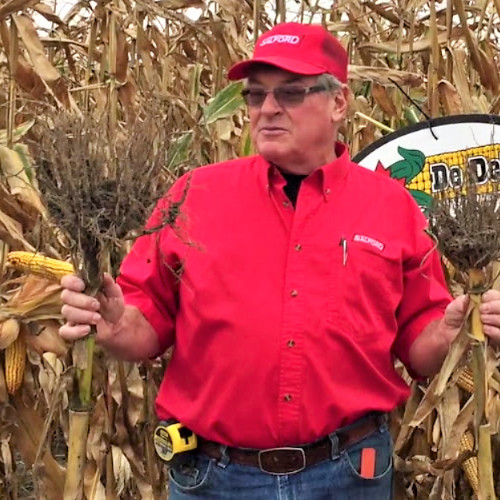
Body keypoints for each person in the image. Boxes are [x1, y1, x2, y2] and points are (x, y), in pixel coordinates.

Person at [59, 22, 500, 500]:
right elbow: (144, 327)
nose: (267, 109)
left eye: (290, 93)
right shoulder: (194, 195)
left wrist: (452, 329)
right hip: (213, 476)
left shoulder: (392, 205)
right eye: (255, 95)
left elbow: (418, 345)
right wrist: (115, 320)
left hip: (350, 473)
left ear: (339, 103)